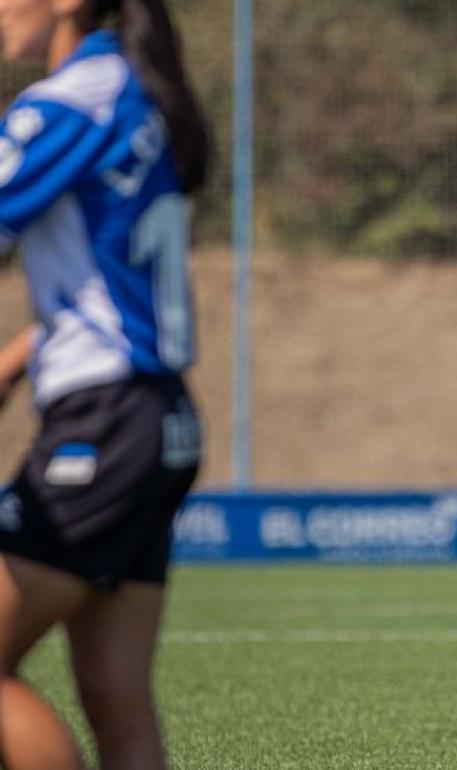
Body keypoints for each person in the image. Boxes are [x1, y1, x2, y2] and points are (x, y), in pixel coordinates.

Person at [0, 0, 211, 768]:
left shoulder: (70, 100)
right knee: (115, 693)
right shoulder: (135, 95)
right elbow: (107, 290)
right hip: (158, 420)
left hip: (106, 422)